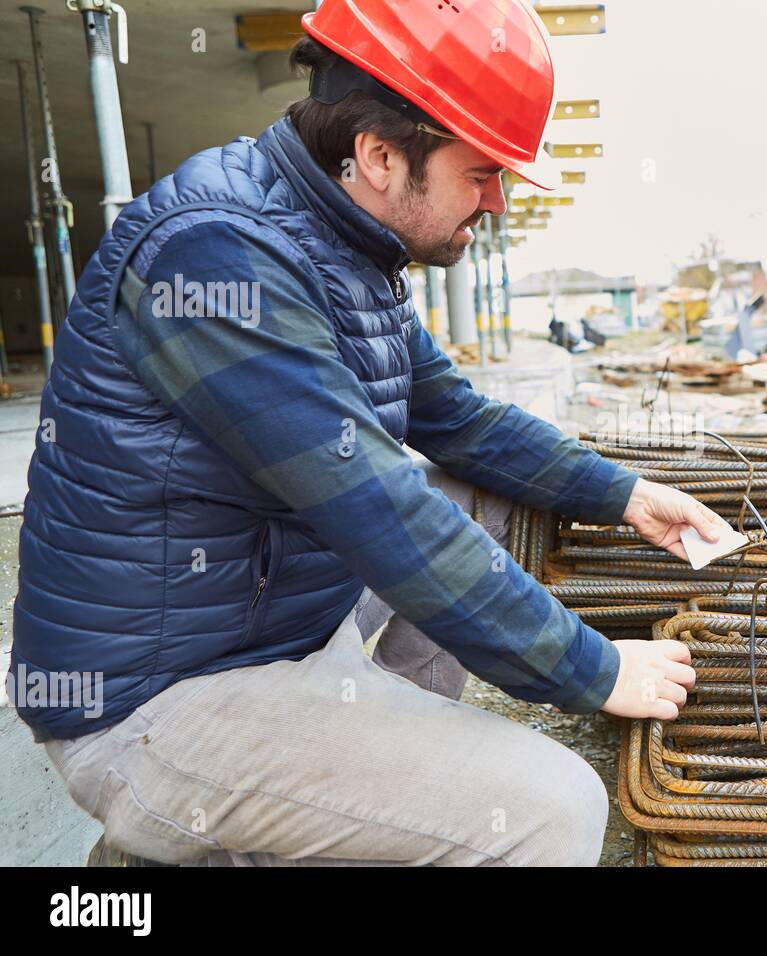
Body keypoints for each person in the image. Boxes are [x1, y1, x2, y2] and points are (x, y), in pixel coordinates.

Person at [10, 0, 727, 866]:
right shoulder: (213, 254)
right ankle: (288, 811)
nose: (496, 201)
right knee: (551, 807)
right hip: (161, 701)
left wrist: (625, 493)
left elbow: (458, 422)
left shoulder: (346, 248)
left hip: (267, 629)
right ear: (382, 156)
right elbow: (377, 508)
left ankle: (370, 784)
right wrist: (595, 669)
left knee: (478, 485)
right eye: (482, 172)